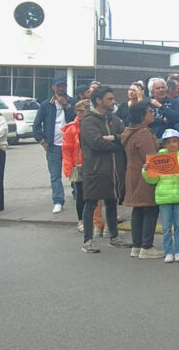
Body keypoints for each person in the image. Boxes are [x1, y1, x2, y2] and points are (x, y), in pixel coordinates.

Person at [80, 86, 132, 253]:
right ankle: (88, 241)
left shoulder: (114, 119)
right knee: (90, 203)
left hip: (114, 169)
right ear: (98, 101)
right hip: (95, 170)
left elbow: (125, 136)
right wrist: (117, 143)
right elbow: (96, 143)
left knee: (112, 202)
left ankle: (114, 237)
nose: (113, 101)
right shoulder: (88, 121)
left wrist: (115, 139)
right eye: (109, 99)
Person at [143, 129, 179, 262]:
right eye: (169, 142)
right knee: (166, 227)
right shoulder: (157, 160)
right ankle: (168, 251)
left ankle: (178, 251)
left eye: (175, 141)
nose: (172, 144)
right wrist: (146, 170)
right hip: (164, 198)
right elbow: (152, 180)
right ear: (164, 144)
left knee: (178, 226)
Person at [122, 102, 163, 259]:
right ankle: (146, 246)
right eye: (149, 112)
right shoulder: (143, 133)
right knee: (150, 208)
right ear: (141, 115)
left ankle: (137, 245)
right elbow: (151, 157)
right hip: (145, 175)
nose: (152, 114)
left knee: (138, 210)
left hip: (132, 173)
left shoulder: (130, 131)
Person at [34, 75, 75, 214]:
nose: (61, 88)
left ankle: (77, 195)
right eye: (58, 86)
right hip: (53, 145)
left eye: (63, 85)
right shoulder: (46, 105)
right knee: (55, 175)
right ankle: (58, 201)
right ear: (53, 87)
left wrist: (66, 105)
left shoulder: (73, 102)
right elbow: (36, 126)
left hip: (71, 145)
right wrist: (42, 141)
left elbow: (76, 118)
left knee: (74, 172)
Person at [62, 100, 94, 233]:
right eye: (78, 111)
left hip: (92, 165)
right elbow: (66, 150)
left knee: (92, 194)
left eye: (83, 110)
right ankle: (81, 220)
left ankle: (92, 219)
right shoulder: (71, 128)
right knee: (80, 194)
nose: (80, 113)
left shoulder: (92, 126)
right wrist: (68, 169)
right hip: (79, 166)